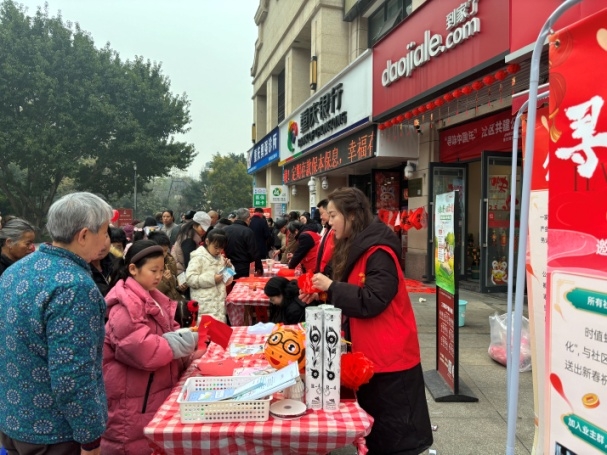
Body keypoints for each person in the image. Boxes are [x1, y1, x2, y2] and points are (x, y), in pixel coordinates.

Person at [309, 187, 433, 455]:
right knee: (376, 432)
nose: (328, 221)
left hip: (390, 357)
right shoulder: (352, 246)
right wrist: (319, 291)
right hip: (369, 354)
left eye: (332, 215)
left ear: (352, 215)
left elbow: (373, 300)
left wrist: (331, 287)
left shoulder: (378, 251)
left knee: (397, 437)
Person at [0, 192, 113, 454]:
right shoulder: (73, 286)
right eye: (105, 231)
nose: (107, 239)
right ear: (84, 235)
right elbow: (72, 377)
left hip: (13, 422)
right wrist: (90, 439)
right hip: (55, 434)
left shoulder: (16, 270)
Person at [102, 240, 205, 454]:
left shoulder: (154, 298)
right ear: (133, 269)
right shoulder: (124, 307)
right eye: (153, 270)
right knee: (132, 445)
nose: (159, 276)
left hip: (152, 393)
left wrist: (190, 355)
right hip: (134, 399)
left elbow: (170, 332)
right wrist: (189, 341)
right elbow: (145, 351)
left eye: (162, 270)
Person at [186, 229, 233, 323]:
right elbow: (190, 279)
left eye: (221, 248)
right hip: (204, 305)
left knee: (219, 332)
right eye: (216, 247)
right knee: (206, 333)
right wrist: (212, 279)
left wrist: (229, 268)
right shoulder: (198, 257)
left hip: (218, 305)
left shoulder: (220, 258)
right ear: (207, 241)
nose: (218, 250)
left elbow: (227, 281)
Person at [147, 230, 184, 302]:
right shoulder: (148, 266)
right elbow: (150, 293)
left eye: (166, 250)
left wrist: (180, 286)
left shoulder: (170, 261)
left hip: (174, 300)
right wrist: (164, 281)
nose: (164, 254)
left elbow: (174, 284)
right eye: (161, 251)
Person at [223, 208, 256, 278]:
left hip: (228, 267)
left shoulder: (225, 230)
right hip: (244, 269)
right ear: (247, 218)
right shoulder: (248, 231)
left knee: (230, 285)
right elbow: (253, 252)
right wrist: (258, 267)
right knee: (242, 287)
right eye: (250, 219)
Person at [90, 225, 115, 296]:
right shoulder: (80, 270)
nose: (102, 245)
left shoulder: (116, 262)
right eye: (95, 238)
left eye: (105, 236)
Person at [249, 207, 271, 273]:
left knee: (252, 266)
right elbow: (267, 234)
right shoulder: (263, 221)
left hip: (250, 248)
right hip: (261, 247)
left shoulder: (249, 221)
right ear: (261, 213)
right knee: (261, 265)